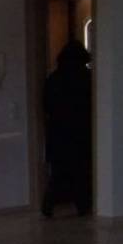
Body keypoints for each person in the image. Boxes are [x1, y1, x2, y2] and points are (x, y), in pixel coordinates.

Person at [42, 40, 92, 216]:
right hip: (81, 132)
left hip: (58, 133)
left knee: (58, 173)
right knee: (81, 171)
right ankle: (83, 205)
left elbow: (46, 106)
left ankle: (49, 204)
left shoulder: (53, 79)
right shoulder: (86, 78)